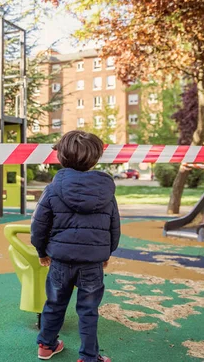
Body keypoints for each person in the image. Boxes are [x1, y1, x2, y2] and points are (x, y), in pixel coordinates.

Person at [31, 130, 121, 362]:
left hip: (60, 261)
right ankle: (89, 357)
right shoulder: (106, 192)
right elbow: (114, 226)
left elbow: (38, 225)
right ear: (96, 158)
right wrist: (107, 252)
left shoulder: (52, 189)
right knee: (88, 311)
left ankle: (46, 346)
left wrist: (41, 251)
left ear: (60, 157)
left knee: (54, 303)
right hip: (92, 263)